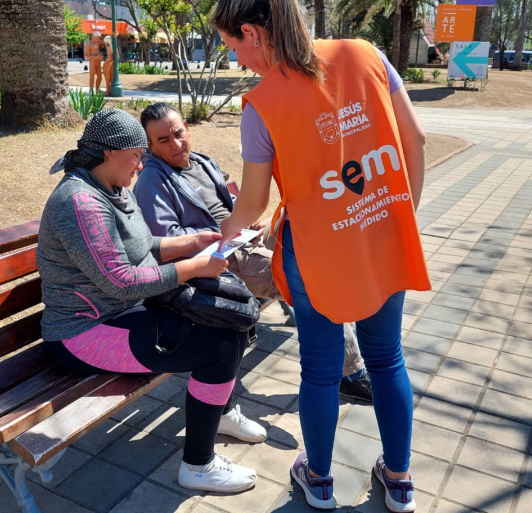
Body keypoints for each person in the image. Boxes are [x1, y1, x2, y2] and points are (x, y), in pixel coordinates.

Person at [210, 0, 431, 512]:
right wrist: (398, 216)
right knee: (387, 360)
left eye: (233, 47)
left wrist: (226, 231)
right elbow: (415, 140)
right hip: (382, 236)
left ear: (252, 32)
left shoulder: (262, 105)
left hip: (313, 254)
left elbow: (254, 203)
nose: (238, 61)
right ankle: (399, 480)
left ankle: (320, 479)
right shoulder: (368, 55)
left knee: (321, 368)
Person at [37, 108, 267, 493]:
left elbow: (143, 248)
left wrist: (194, 241)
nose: (143, 164)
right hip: (83, 334)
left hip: (124, 313)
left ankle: (221, 414)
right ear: (110, 152)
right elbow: (122, 282)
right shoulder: (81, 204)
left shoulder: (109, 186)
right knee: (219, 344)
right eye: (137, 154)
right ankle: (198, 465)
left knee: (229, 321)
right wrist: (193, 268)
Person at [134, 102, 374, 404]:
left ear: (187, 127)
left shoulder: (201, 161)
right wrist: (221, 235)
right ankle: (350, 375)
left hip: (246, 241)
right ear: (149, 145)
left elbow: (227, 204)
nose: (176, 144)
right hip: (223, 260)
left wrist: (247, 220)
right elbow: (165, 241)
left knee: (320, 251)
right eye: (163, 141)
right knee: (314, 284)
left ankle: (349, 353)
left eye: (178, 133)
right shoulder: (153, 181)